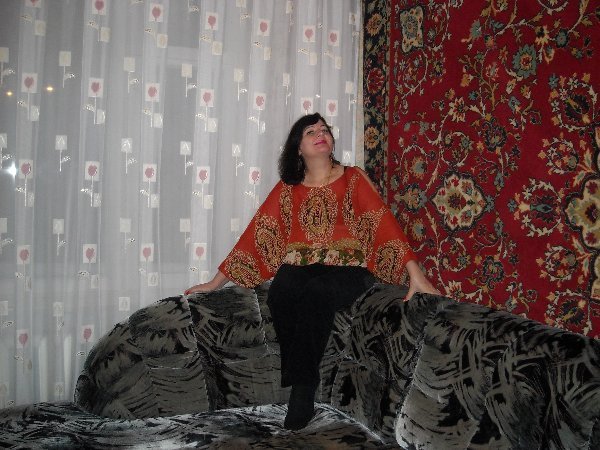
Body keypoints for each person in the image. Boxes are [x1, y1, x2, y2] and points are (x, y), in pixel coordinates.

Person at [184, 112, 440, 430]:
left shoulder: (353, 178)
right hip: (301, 264)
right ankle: (304, 375)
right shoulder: (288, 189)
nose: (321, 133)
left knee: (317, 294)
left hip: (350, 268)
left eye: (324, 129)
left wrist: (415, 272)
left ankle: (302, 391)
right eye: (310, 131)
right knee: (281, 291)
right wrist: (214, 283)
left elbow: (382, 222)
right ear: (298, 148)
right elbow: (257, 234)